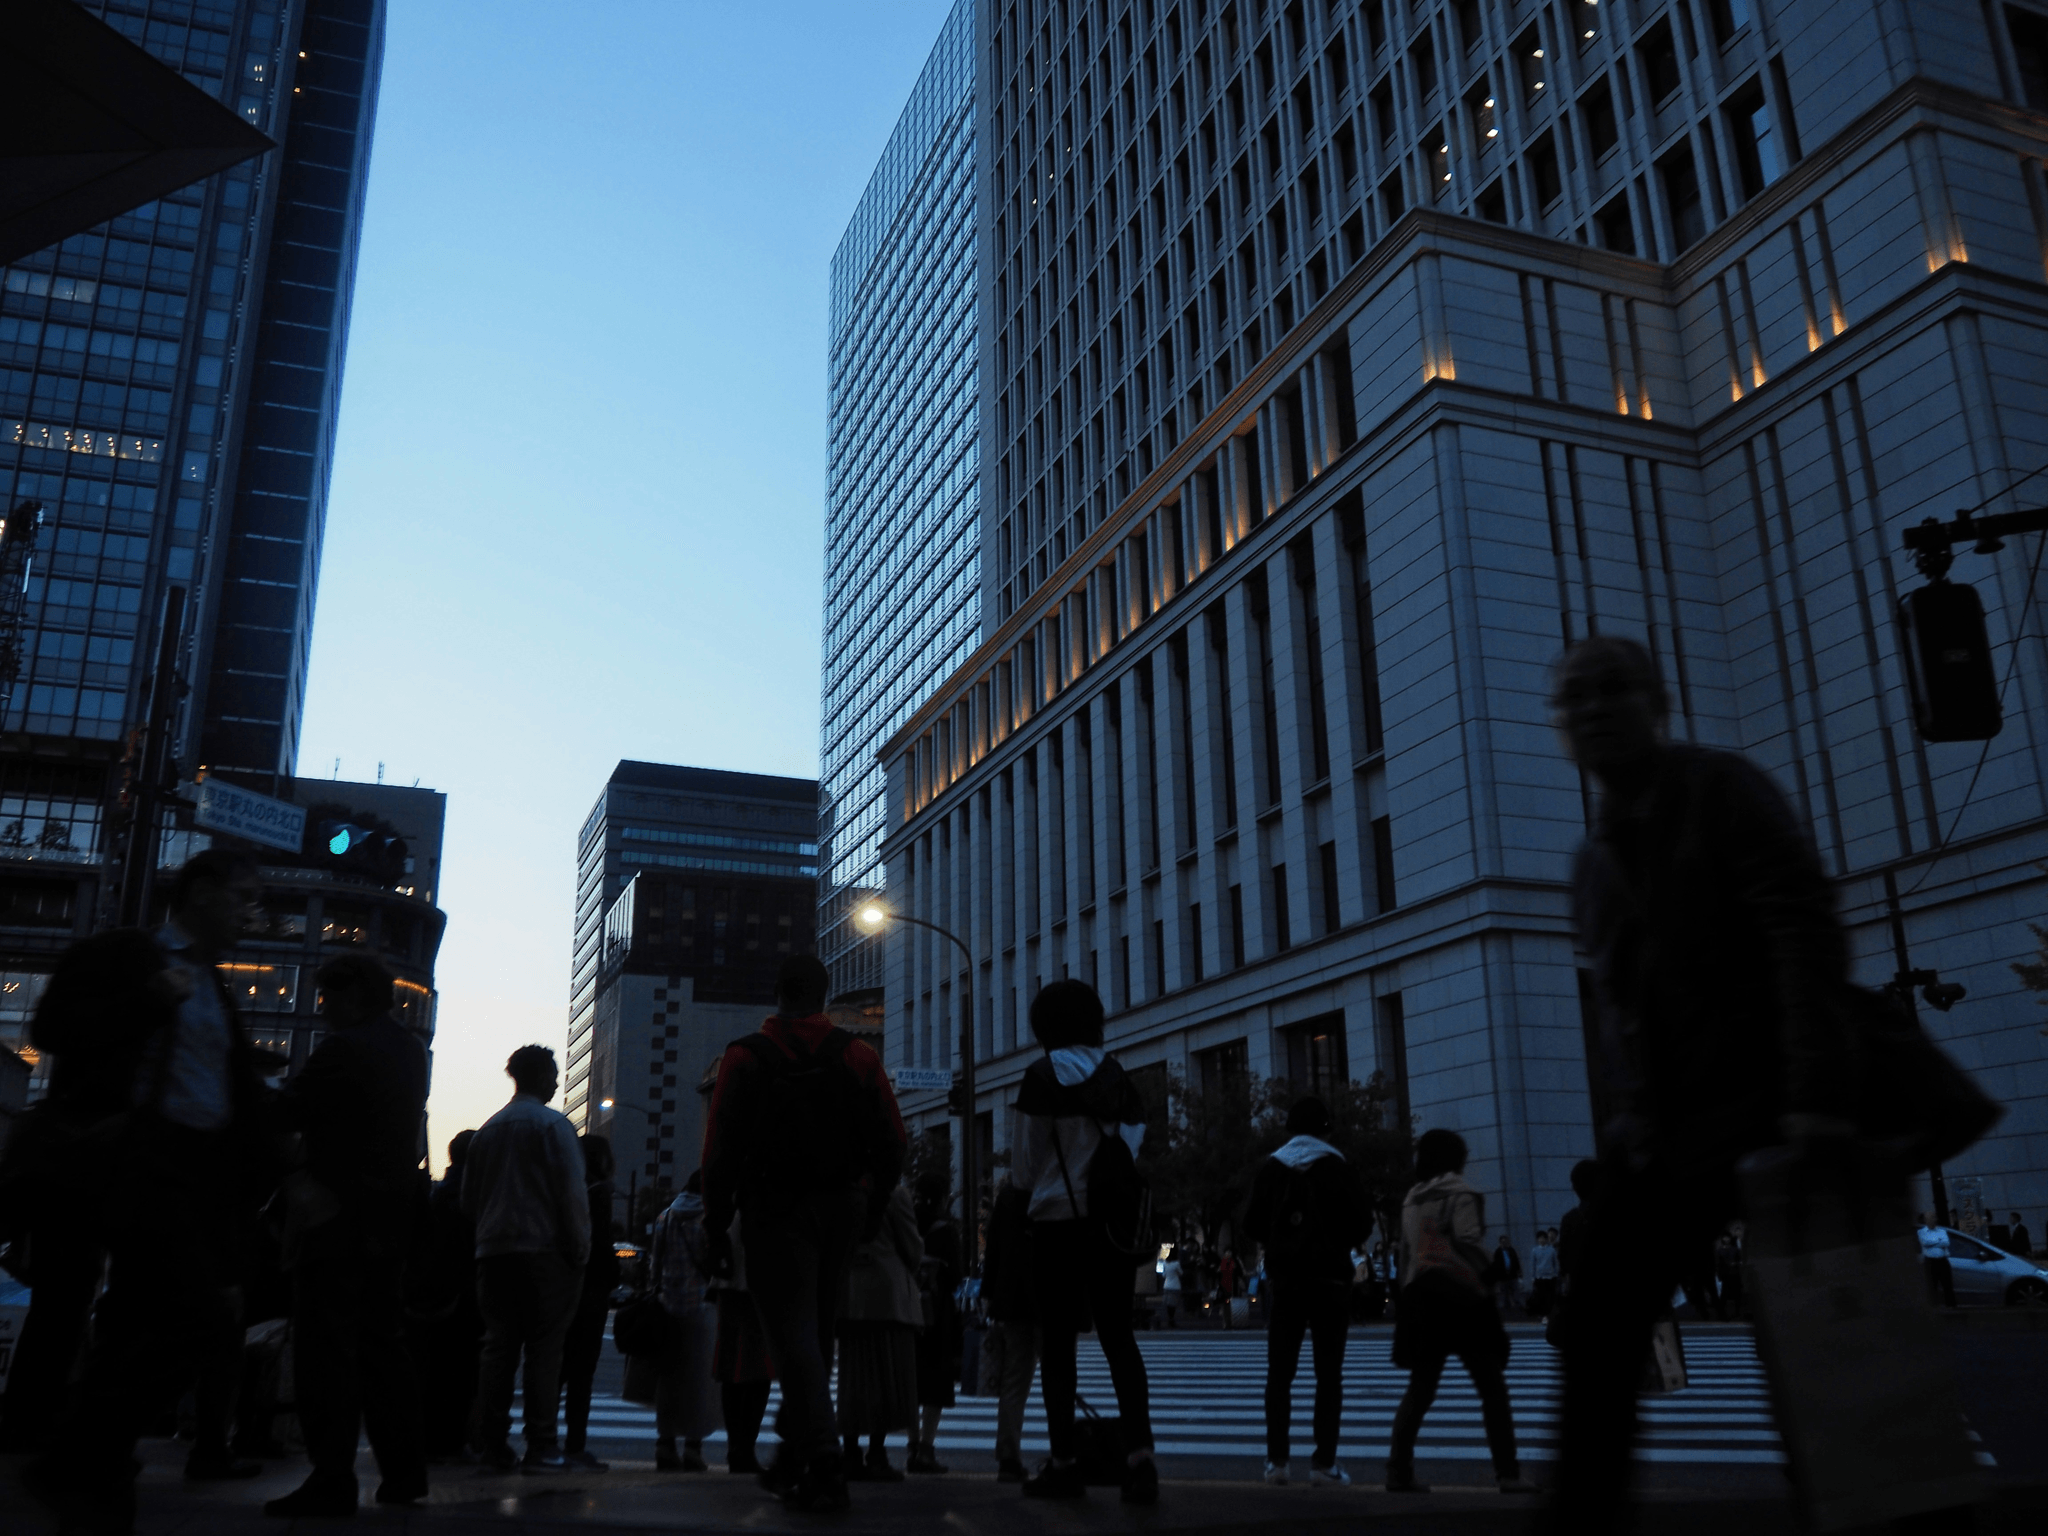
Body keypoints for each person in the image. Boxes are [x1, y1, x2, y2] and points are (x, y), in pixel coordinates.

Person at [1551, 634, 1860, 1532]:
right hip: (1675, 1132)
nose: (1597, 708)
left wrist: (1815, 1098)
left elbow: (1802, 935)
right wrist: (1630, 1119)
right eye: (1577, 698)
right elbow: (1619, 1014)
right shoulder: (1595, 857)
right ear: (1563, 730)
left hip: (1775, 1107)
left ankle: (1871, 1501)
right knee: (1599, 1330)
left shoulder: (1723, 791)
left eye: (1615, 689)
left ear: (1659, 702)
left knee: (1824, 1344)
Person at [26, 851, 278, 1533]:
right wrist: (148, 1000)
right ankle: (80, 1456)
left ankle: (86, 1465)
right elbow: (50, 1030)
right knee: (197, 1314)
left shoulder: (215, 985)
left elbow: (229, 1088)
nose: (252, 914)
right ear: (200, 892)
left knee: (138, 1321)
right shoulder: (126, 954)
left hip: (188, 1172)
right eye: (243, 897)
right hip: (133, 1160)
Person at [701, 954, 907, 1512]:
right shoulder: (858, 1055)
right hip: (842, 1206)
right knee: (816, 1334)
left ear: (777, 992)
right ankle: (795, 1455)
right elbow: (894, 1139)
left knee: (791, 1334)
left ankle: (821, 1460)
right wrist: (874, 1199)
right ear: (822, 995)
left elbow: (719, 1150)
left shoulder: (744, 1057)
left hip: (772, 1208)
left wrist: (716, 1225)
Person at [262, 954, 431, 1517]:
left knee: (325, 1350)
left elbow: (287, 1112)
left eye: (327, 996)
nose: (321, 1006)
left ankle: (332, 1475)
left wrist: (243, 1075)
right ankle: (404, 1472)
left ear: (353, 995)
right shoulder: (408, 1049)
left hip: (336, 1218)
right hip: (389, 1219)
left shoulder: (343, 1049)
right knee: (384, 1346)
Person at [1010, 979, 1157, 1505]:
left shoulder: (1041, 1076)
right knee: (1120, 1339)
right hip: (1111, 1227)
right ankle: (1141, 1462)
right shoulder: (1118, 1076)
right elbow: (1133, 1144)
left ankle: (1064, 1463)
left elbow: (1024, 1169)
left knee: (1057, 1345)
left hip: (1055, 1224)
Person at [1386, 1129, 1536, 1496]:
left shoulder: (1410, 1199)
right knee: (1491, 1388)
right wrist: (1491, 1271)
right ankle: (1508, 1473)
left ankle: (1399, 1472)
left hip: (1422, 1296)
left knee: (1420, 1389)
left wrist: (1406, 1297)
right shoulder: (1462, 1193)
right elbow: (1468, 1241)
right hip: (1462, 1297)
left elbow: (1406, 1254)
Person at [463, 1044, 591, 1472]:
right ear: (541, 1078)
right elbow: (571, 1195)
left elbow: (469, 1200)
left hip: (493, 1251)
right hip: (545, 1252)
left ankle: (491, 1443)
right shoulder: (553, 1126)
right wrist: (579, 1246)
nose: (557, 1082)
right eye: (553, 1075)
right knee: (544, 1350)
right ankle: (541, 1445)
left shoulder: (488, 1130)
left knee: (498, 1349)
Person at [1241, 1096, 1372, 1488]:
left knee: (1279, 1375)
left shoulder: (1272, 1167)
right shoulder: (1338, 1166)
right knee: (1328, 1375)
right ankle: (1324, 1463)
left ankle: (1277, 1462)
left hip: (1286, 1282)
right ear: (1326, 1128)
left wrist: (1280, 1242)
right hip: (1331, 1281)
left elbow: (1251, 1224)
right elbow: (1362, 1223)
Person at [836, 1182, 922, 1481]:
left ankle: (848, 1451)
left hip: (848, 1292)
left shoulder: (840, 1190)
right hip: (886, 1292)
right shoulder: (893, 1193)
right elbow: (912, 1247)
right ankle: (876, 1452)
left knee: (852, 1378)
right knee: (886, 1374)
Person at [417, 1130, 482, 1461]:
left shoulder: (438, 1192)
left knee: (435, 1370)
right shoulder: (474, 1197)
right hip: (467, 1296)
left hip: (433, 1295)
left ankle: (433, 1438)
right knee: (463, 1373)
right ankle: (456, 1440)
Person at [648, 1172, 719, 1471]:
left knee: (669, 1381)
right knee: (699, 1382)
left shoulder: (665, 1216)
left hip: (668, 1306)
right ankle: (693, 1449)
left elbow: (655, 1262)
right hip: (701, 1306)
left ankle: (665, 1445)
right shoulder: (708, 1218)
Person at [558, 1134, 620, 1470]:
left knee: (557, 1369)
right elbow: (602, 1249)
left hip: (563, 1289)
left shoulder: (567, 1189)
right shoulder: (599, 1196)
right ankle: (574, 1444)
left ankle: (543, 1442)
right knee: (582, 1374)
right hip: (591, 1294)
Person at [979, 1176, 1039, 1482]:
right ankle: (1063, 1457)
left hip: (1014, 1299)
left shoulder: (1008, 1196)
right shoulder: (1056, 1184)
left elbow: (994, 1251)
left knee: (1014, 1382)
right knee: (1060, 1375)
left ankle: (1008, 1456)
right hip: (1051, 1295)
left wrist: (990, 1296)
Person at [909, 1171, 960, 1473]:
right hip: (938, 1317)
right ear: (941, 1198)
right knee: (936, 1382)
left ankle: (912, 1445)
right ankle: (927, 1448)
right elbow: (955, 1277)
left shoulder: (907, 1224)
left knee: (911, 1381)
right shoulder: (946, 1231)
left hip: (908, 1312)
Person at [1918, 1215, 1956, 1308]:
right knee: (1932, 1286)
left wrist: (1932, 1242)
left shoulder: (1942, 1231)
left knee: (1948, 1285)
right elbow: (1925, 1243)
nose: (1933, 1220)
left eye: (1934, 1217)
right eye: (1930, 1218)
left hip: (1943, 1260)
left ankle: (1951, 1306)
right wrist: (1938, 1241)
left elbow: (1946, 1243)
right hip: (1930, 1262)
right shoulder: (1921, 1231)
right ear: (1926, 1220)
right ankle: (1934, 1308)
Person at [1527, 1230, 1560, 1319]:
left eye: (1542, 1238)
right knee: (1540, 1296)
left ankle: (1549, 1313)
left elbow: (1555, 1263)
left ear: (1546, 1239)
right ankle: (1543, 1314)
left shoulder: (1551, 1250)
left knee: (1550, 1296)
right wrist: (1533, 1277)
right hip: (1539, 1277)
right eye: (1539, 1238)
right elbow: (1532, 1264)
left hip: (1550, 1277)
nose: (1541, 1240)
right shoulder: (1534, 1250)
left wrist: (1556, 1274)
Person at [1492, 1234, 1522, 1315]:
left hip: (1512, 1275)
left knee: (1515, 1292)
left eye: (1506, 1242)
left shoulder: (1511, 1250)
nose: (1504, 1243)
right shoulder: (1497, 1252)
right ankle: (1506, 1309)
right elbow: (1496, 1265)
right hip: (1503, 1276)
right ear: (1500, 1243)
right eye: (1503, 1242)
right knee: (1504, 1293)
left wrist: (1519, 1272)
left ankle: (1517, 1308)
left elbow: (1516, 1261)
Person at [1157, 1247, 1183, 1328]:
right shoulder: (1176, 1263)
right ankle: (1172, 1321)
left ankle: (1169, 1320)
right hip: (1175, 1285)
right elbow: (1181, 1273)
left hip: (1167, 1284)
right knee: (1174, 1304)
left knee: (1168, 1304)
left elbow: (1163, 1274)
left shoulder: (1165, 1262)